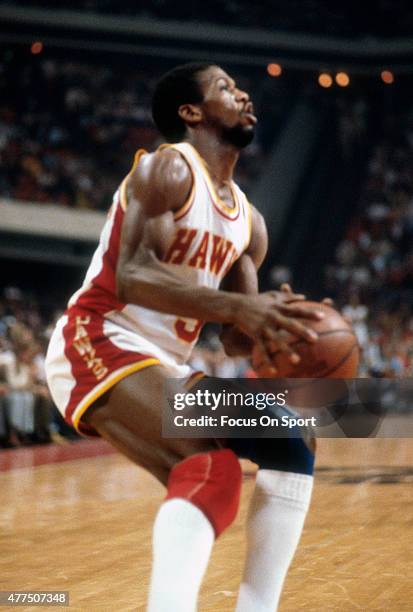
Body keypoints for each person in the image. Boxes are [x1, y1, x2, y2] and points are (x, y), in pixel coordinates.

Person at [46, 63, 320, 611]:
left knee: (292, 438)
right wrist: (246, 306)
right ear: (191, 113)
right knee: (209, 466)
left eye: (239, 88)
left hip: (162, 363)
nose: (241, 92)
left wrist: (285, 329)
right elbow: (133, 276)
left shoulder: (250, 223)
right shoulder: (167, 169)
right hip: (97, 338)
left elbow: (233, 339)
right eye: (224, 87)